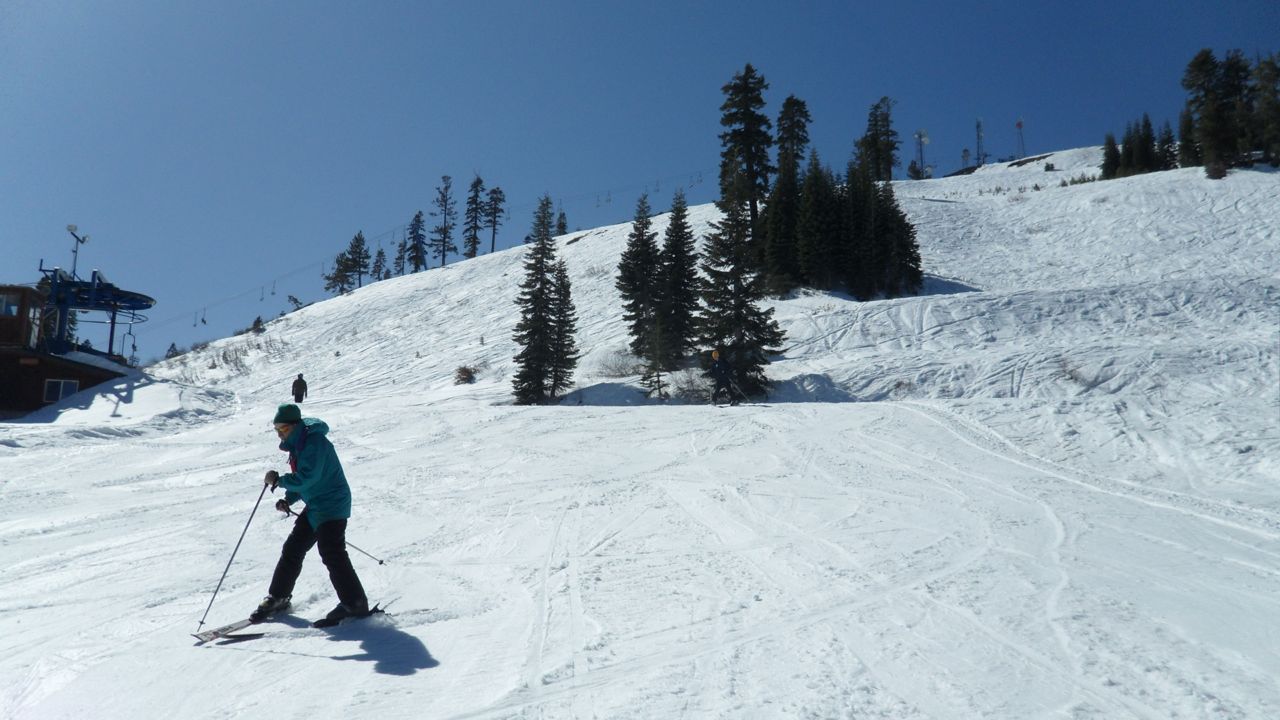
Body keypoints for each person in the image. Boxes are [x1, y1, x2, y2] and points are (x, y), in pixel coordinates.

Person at [251, 403, 370, 627]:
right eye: (277, 430)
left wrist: (279, 480)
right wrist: (289, 498)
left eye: (283, 429)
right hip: (316, 505)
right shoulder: (300, 443)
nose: (279, 433)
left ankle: (355, 604)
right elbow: (303, 480)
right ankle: (279, 597)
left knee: (331, 551)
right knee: (293, 548)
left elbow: (308, 476)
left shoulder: (314, 443)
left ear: (295, 426)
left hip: (332, 504)